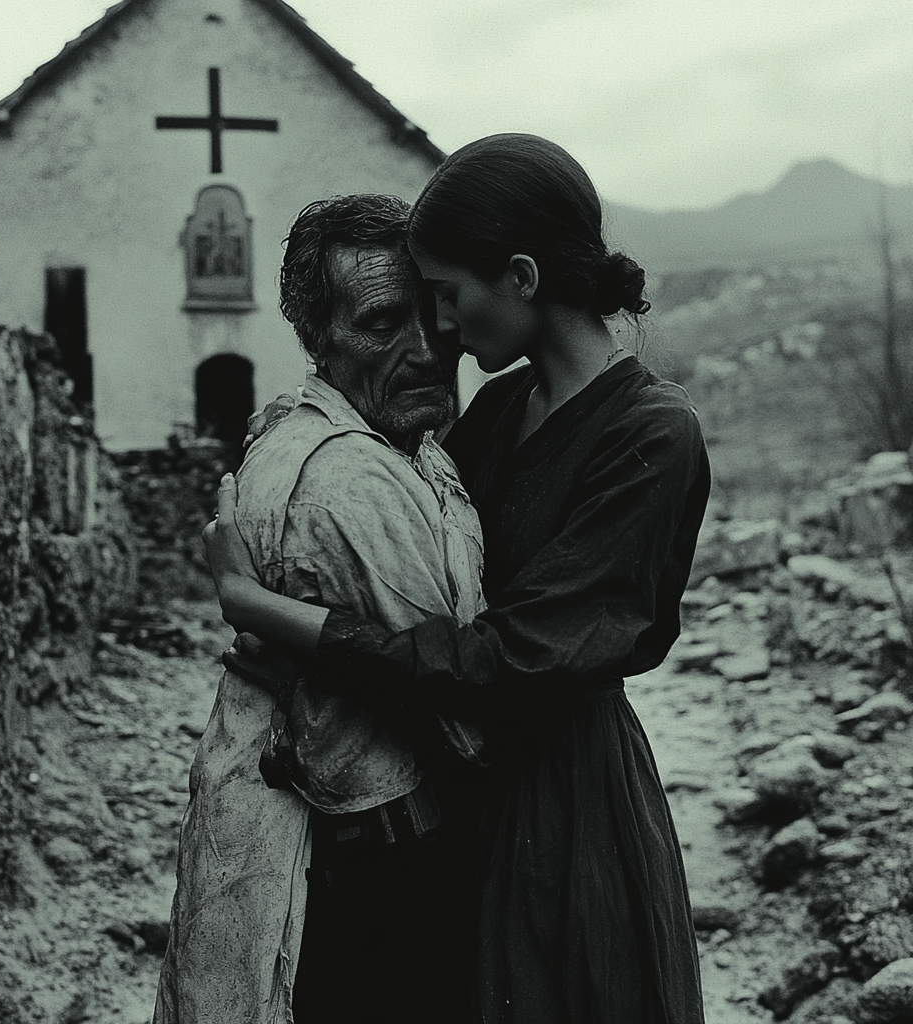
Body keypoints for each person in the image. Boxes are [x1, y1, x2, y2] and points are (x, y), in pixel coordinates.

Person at [205, 133, 711, 1024]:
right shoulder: (504, 407)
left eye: (445, 296)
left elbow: (505, 660)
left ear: (520, 277)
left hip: (569, 801)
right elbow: (432, 577)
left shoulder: (653, 436)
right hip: (461, 787)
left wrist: (270, 614)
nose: (443, 330)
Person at [154, 194, 485, 1024]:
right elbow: (462, 710)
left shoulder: (379, 441)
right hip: (372, 875)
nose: (421, 350)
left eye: (431, 316)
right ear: (321, 340)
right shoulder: (349, 482)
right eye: (380, 325)